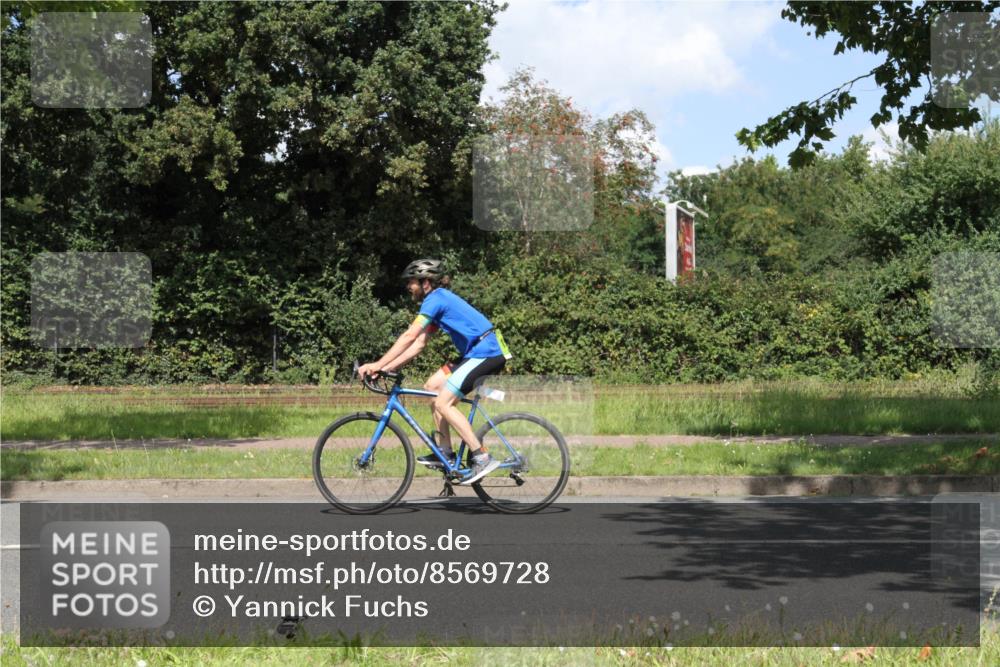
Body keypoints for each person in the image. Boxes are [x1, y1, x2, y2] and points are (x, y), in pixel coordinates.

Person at [357, 259, 511, 485]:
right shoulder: (437, 303)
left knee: (443, 403)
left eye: (411, 282)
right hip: (475, 352)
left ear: (425, 282)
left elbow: (409, 336)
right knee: (432, 386)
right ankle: (445, 452)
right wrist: (387, 368)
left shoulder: (435, 300)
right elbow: (418, 344)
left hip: (487, 352)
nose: (408, 287)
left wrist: (378, 364)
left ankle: (481, 456)